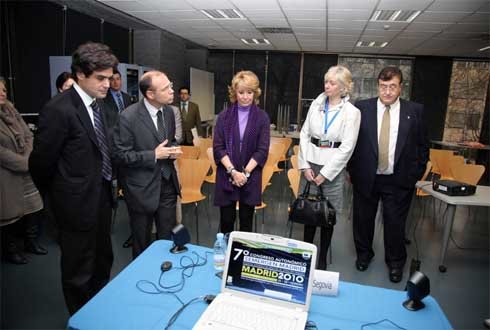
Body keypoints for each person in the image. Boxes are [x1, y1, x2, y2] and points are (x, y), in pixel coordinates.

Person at [29, 42, 118, 314]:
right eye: (100, 78)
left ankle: (98, 309)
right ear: (80, 74)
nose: (107, 84)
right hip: (73, 206)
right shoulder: (59, 109)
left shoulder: (99, 106)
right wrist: (60, 199)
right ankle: (81, 318)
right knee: (78, 270)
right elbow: (41, 165)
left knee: (103, 259)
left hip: (101, 197)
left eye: (110, 77)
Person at [348, 66, 429, 283]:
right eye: (383, 86)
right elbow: (351, 143)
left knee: (395, 224)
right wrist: (352, 171)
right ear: (378, 86)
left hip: (399, 179)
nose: (387, 91)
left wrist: (415, 175)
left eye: (392, 86)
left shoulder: (415, 111)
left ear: (401, 87)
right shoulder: (362, 108)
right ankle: (364, 255)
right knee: (362, 220)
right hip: (367, 176)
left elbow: (423, 147)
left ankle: (395, 264)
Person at [113, 70, 181, 258]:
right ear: (150, 94)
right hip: (141, 189)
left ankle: (165, 275)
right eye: (166, 88)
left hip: (167, 184)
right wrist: (154, 155)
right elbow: (120, 155)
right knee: (142, 241)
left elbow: (169, 141)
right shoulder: (128, 117)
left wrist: (173, 150)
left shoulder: (169, 112)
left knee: (167, 239)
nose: (172, 91)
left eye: (171, 85)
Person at [298, 65, 361, 270]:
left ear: (343, 87)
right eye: (326, 81)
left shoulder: (352, 112)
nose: (327, 85)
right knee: (309, 213)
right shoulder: (316, 105)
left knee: (327, 216)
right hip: (311, 163)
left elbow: (348, 147)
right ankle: (306, 255)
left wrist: (326, 173)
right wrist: (304, 165)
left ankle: (322, 258)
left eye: (332, 83)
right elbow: (305, 134)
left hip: (332, 168)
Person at [213, 71, 270, 234]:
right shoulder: (224, 117)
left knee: (246, 223)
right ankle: (225, 256)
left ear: (255, 93)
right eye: (241, 92)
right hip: (226, 174)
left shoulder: (262, 118)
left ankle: (242, 256)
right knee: (226, 222)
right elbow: (218, 147)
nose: (245, 97)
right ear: (234, 93)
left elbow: (262, 150)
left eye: (249, 92)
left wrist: (244, 173)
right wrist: (233, 172)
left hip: (250, 177)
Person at [0, 76, 46, 264]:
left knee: (33, 208)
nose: (2, 93)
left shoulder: (10, 109)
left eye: (3, 89)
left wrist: (29, 157)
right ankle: (10, 251)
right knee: (9, 215)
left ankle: (31, 242)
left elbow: (28, 135)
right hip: (7, 174)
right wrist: (24, 163)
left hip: (26, 169)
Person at [103, 69, 132, 134]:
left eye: (118, 79)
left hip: (126, 133)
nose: (115, 82)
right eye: (112, 79)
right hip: (111, 135)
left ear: (121, 80)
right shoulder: (103, 98)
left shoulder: (127, 97)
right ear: (109, 81)